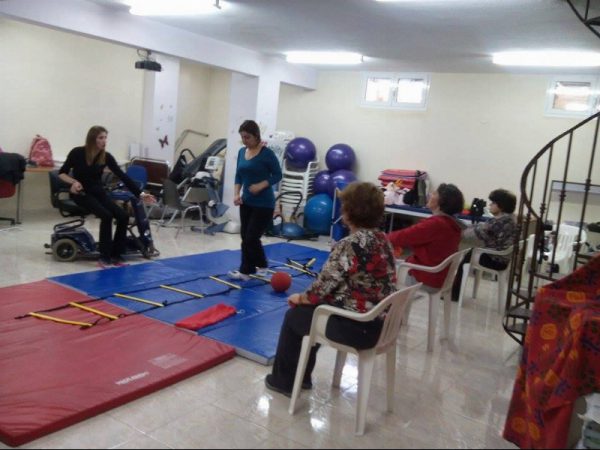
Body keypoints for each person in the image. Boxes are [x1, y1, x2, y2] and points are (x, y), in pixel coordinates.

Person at [265, 182, 397, 397]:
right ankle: (302, 377)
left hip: (361, 328)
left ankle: (284, 381)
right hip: (382, 324)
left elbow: (320, 289)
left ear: (350, 211)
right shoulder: (383, 240)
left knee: (295, 316)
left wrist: (300, 298)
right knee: (314, 311)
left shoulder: (350, 244)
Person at [58, 126, 155, 267]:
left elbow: (123, 176)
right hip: (81, 193)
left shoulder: (106, 156)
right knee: (106, 216)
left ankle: (117, 255)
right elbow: (62, 173)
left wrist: (141, 194)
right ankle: (104, 256)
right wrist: (73, 182)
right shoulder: (77, 153)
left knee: (123, 216)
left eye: (105, 138)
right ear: (92, 139)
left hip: (99, 193)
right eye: (101, 138)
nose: (104, 141)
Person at [228, 120, 282, 280]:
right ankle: (254, 267)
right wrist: (236, 194)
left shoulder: (267, 154)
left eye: (247, 137)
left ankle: (248, 270)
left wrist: (261, 185)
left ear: (256, 136)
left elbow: (278, 175)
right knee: (246, 237)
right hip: (247, 202)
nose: (244, 140)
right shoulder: (241, 152)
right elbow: (239, 175)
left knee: (251, 237)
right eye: (242, 137)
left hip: (264, 204)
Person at [388, 183, 465, 290]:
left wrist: (379, 238)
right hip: (440, 277)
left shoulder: (436, 224)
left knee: (385, 272)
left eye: (435, 193)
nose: (430, 194)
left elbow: (403, 236)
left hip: (426, 278)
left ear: (441, 202)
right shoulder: (452, 223)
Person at [451, 188, 518, 301]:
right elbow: (480, 228)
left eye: (493, 203)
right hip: (503, 259)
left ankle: (454, 294)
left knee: (466, 258)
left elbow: (472, 235)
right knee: (470, 252)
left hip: (495, 260)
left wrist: (456, 229)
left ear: (501, 206)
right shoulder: (511, 218)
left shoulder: (498, 222)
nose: (490, 205)